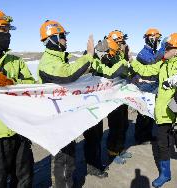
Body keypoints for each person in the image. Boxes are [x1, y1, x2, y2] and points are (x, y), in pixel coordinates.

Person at [38, 20, 127, 187]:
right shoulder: (48, 62)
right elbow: (67, 75)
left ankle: (92, 167)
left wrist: (121, 64)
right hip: (59, 115)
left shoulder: (63, 59)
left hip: (77, 108)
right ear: (53, 39)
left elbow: (104, 72)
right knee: (64, 156)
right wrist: (89, 55)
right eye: (63, 36)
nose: (66, 40)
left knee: (89, 139)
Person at [129, 33, 177, 188]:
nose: (164, 48)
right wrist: (131, 61)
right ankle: (165, 174)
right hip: (163, 113)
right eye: (165, 46)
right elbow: (146, 70)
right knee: (162, 145)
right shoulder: (163, 64)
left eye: (168, 46)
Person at [0, 9, 35, 188]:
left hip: (19, 129)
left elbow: (33, 86)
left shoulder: (16, 62)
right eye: (4, 30)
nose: (8, 35)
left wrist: (11, 82)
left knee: (24, 177)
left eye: (9, 31)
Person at [83, 37, 127, 178]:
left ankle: (95, 164)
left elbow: (108, 72)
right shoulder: (91, 60)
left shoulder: (100, 59)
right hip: (88, 105)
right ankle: (93, 167)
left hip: (97, 104)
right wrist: (123, 62)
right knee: (92, 138)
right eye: (108, 54)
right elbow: (107, 73)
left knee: (97, 136)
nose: (109, 58)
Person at [104, 30, 132, 164]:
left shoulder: (119, 54)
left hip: (122, 94)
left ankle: (120, 148)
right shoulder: (108, 55)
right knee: (115, 125)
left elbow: (124, 72)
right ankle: (112, 152)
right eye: (120, 42)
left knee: (124, 124)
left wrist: (125, 56)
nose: (123, 44)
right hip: (112, 96)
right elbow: (111, 72)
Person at [134, 28, 162, 145]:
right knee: (143, 113)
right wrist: (164, 52)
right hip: (144, 86)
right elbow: (151, 63)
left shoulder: (154, 52)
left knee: (150, 112)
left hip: (153, 86)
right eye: (157, 39)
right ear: (151, 39)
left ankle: (147, 134)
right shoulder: (143, 53)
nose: (159, 41)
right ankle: (140, 136)